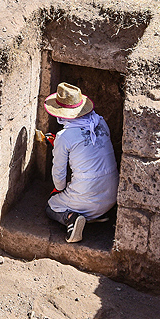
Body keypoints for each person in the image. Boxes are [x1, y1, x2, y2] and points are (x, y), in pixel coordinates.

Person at [43, 82, 119, 243]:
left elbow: (59, 180)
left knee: (51, 207)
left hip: (86, 196)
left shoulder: (64, 136)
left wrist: (59, 190)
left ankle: (71, 218)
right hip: (112, 195)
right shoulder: (100, 122)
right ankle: (97, 215)